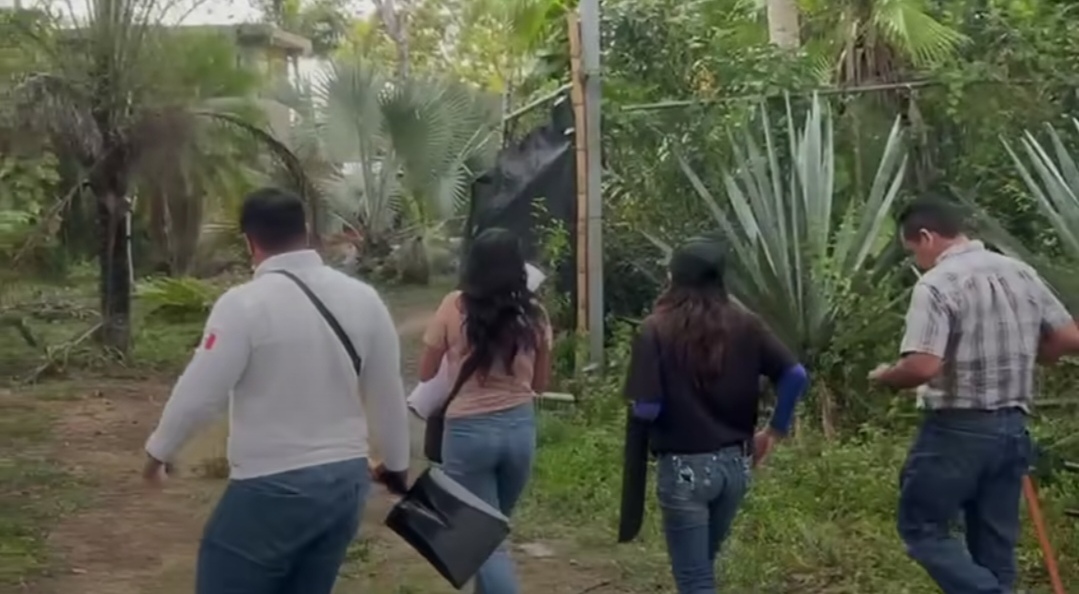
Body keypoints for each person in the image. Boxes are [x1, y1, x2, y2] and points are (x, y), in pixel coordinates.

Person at [142, 187, 412, 594]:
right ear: (306, 231)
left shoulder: (243, 305)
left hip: (272, 484)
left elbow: (202, 391)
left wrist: (159, 452)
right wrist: (396, 464)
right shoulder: (364, 299)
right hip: (345, 484)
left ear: (250, 242)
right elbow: (386, 391)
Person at [869, 198, 1079, 594]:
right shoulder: (1020, 272)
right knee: (994, 546)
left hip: (957, 430)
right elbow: (1069, 338)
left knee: (922, 528)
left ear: (926, 237)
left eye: (913, 252)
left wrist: (886, 377)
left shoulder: (937, 284)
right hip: (1013, 428)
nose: (918, 262)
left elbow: (922, 366)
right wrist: (1043, 353)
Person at [622, 237, 809, 594]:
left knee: (694, 579)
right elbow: (795, 375)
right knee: (701, 567)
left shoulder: (655, 328)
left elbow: (648, 407)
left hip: (684, 471)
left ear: (674, 276)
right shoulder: (747, 323)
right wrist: (774, 431)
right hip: (735, 468)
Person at [417, 227, 552, 594]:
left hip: (468, 434)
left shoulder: (453, 306)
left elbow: (426, 372)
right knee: (492, 530)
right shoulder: (536, 314)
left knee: (483, 542)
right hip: (519, 430)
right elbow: (540, 384)